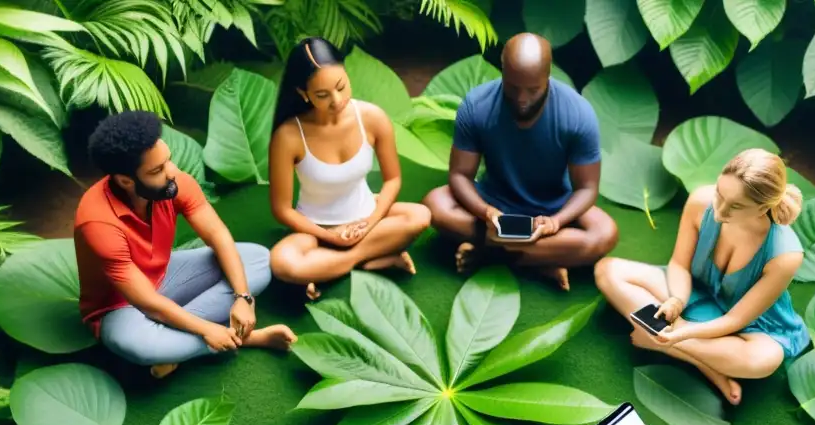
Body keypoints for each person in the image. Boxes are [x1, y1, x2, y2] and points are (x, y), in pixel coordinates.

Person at [75, 111, 295, 380]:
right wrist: (205, 329)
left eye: (168, 160)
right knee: (138, 344)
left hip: (166, 277)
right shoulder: (97, 223)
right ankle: (243, 339)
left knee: (258, 260)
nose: (172, 172)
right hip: (120, 307)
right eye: (157, 170)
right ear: (125, 181)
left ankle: (178, 346)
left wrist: (243, 297)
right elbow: (147, 302)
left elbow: (218, 235)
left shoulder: (173, 182)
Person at [594, 148, 810, 405]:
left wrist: (681, 334)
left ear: (763, 207)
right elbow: (679, 265)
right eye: (720, 193)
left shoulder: (785, 255)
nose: (719, 211)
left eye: (736, 206)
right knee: (608, 270)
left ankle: (665, 342)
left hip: (749, 323)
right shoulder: (700, 201)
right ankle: (706, 364)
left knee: (763, 361)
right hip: (693, 291)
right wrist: (677, 301)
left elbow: (735, 319)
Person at [423, 32, 618, 291]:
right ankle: (542, 259)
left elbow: (587, 188)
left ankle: (492, 254)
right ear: (503, 72)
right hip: (494, 201)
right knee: (434, 204)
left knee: (605, 233)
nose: (522, 98)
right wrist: (486, 212)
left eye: (533, 89)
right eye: (513, 87)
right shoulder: (477, 105)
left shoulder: (578, 114)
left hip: (553, 205)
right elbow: (460, 175)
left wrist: (556, 222)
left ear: (548, 76)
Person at [268, 37, 431, 300]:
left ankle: (332, 267)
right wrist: (330, 237)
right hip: (315, 229)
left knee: (420, 215)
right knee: (282, 262)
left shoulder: (373, 117)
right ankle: (374, 259)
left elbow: (393, 181)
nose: (337, 100)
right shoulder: (288, 136)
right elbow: (282, 209)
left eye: (341, 86)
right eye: (322, 95)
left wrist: (368, 223)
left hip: (367, 218)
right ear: (303, 93)